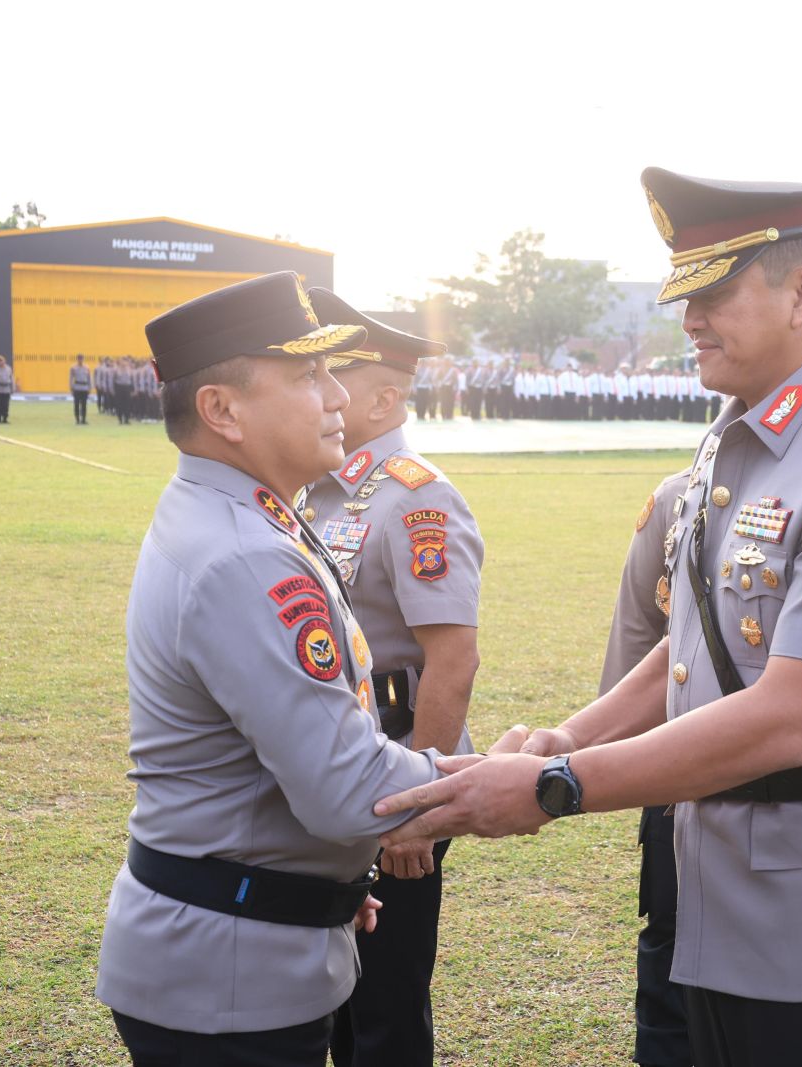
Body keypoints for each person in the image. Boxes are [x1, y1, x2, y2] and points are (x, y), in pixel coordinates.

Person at [374, 168, 802, 1067]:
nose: (689, 318)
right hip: (720, 877)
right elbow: (694, 649)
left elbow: (795, 714)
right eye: (685, 294)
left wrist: (555, 784)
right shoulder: (740, 433)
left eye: (714, 293)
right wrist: (566, 737)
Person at [93, 271, 445, 1066]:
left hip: (238, 949)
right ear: (222, 409)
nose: (338, 395)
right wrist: (495, 780)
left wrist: (323, 885)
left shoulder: (240, 513)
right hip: (227, 983)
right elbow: (346, 787)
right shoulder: (244, 552)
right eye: (308, 375)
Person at [296, 288, 485, 1067]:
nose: (320, 393)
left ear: (381, 398)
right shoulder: (319, 486)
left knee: (384, 1009)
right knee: (331, 994)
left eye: (331, 377)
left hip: (395, 770)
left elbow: (453, 658)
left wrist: (421, 804)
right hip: (338, 764)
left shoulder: (416, 497)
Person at [601, 468, 694, 1067]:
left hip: (798, 792)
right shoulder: (676, 496)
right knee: (671, 948)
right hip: (678, 777)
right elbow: (639, 632)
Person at [71, 354, 92, 425]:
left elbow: (89, 378)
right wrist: (71, 388)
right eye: (79, 359)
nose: (80, 360)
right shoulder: (73, 368)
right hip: (77, 388)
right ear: (77, 359)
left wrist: (90, 387)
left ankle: (83, 419)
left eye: (81, 359)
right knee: (76, 405)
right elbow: (71, 379)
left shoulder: (87, 367)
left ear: (83, 359)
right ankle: (77, 419)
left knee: (84, 405)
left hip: (84, 388)